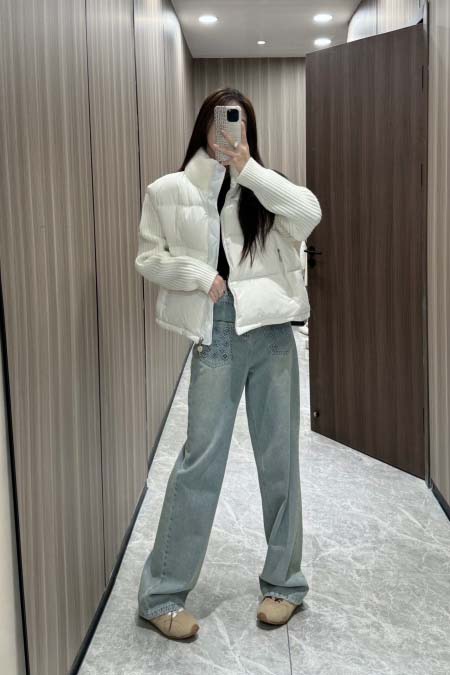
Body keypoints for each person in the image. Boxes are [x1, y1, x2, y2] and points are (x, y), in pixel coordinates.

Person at [134, 87, 322, 640]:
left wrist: (248, 169)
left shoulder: (264, 186)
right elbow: (149, 257)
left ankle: (285, 585)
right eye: (221, 123)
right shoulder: (169, 190)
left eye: (238, 125)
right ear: (204, 126)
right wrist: (199, 276)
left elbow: (310, 213)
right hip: (216, 328)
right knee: (201, 460)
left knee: (280, 460)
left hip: (271, 332)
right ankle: (162, 594)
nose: (228, 133)